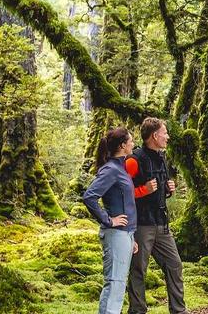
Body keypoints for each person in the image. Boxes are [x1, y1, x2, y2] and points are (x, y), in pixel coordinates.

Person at [124, 117, 186, 314]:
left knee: (174, 265)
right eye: (164, 132)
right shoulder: (134, 160)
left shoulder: (161, 157)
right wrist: (143, 190)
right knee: (138, 270)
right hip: (141, 225)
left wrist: (169, 189)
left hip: (162, 224)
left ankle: (179, 310)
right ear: (154, 135)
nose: (167, 136)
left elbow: (159, 188)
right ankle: (137, 310)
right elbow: (120, 193)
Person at [83, 127, 139, 314]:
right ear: (123, 145)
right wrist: (109, 220)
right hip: (115, 234)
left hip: (125, 235)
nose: (133, 143)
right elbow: (90, 196)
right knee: (114, 283)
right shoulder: (111, 170)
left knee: (119, 284)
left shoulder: (120, 168)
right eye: (131, 140)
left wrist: (131, 237)